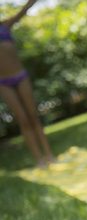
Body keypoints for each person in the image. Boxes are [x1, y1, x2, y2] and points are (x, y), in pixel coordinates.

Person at [0, 0, 55, 167]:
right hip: (3, 82)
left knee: (33, 116)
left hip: (20, 76)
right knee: (23, 120)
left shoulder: (5, 25)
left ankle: (49, 155)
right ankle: (39, 159)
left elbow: (25, 9)